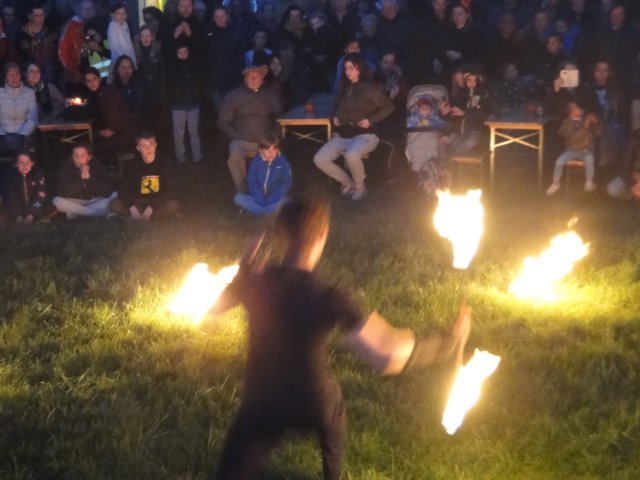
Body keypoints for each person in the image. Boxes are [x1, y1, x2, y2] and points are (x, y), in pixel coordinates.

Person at [211, 196, 471, 480]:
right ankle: (331, 472)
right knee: (330, 402)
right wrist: (449, 341)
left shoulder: (256, 280)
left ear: (281, 236)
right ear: (323, 235)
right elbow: (386, 356)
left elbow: (214, 309)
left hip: (262, 398)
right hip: (310, 400)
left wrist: (243, 271)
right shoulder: (329, 295)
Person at [314, 53, 393, 200]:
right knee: (320, 159)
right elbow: (337, 109)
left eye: (352, 68)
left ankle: (360, 186)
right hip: (344, 134)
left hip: (365, 135)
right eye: (346, 68)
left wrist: (370, 120)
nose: (348, 71)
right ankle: (347, 182)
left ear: (360, 68)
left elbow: (388, 106)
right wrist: (335, 118)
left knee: (351, 153)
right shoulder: (344, 88)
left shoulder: (369, 88)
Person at [217, 64, 283, 193]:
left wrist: (274, 137)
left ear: (262, 79)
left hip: (265, 141)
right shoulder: (234, 96)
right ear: (245, 80)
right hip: (242, 140)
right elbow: (222, 121)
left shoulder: (270, 95)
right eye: (250, 77)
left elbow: (280, 117)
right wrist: (237, 135)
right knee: (234, 154)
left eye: (256, 77)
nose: (253, 80)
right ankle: (243, 190)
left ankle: (270, 190)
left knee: (275, 155)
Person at [109, 131, 180, 221]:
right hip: (139, 201)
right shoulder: (134, 164)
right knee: (114, 204)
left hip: (158, 200)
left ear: (155, 145)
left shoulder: (165, 162)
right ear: (138, 148)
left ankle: (142, 218)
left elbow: (172, 189)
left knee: (173, 205)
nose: (148, 149)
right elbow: (124, 189)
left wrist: (152, 207)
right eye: (143, 146)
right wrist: (132, 207)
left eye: (151, 144)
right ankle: (138, 217)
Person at [83, 67, 135, 167]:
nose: (92, 83)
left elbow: (114, 111)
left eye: (94, 79)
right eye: (88, 81)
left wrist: (111, 128)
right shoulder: (92, 96)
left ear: (99, 79)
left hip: (122, 132)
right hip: (109, 132)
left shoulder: (108, 91)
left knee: (94, 149)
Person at [546, 99, 600, 195]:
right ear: (572, 112)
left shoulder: (586, 120)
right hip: (571, 151)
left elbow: (598, 133)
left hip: (585, 150)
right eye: (577, 108)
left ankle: (589, 181)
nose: (580, 109)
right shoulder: (567, 123)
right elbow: (573, 138)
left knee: (590, 158)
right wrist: (585, 125)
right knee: (559, 161)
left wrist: (596, 123)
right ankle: (556, 183)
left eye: (579, 107)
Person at [53, 143, 116, 219]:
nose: (79, 158)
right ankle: (93, 214)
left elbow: (106, 193)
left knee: (115, 195)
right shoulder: (66, 169)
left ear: (89, 157)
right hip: (75, 202)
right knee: (57, 201)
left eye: (82, 155)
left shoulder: (97, 168)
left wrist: (90, 179)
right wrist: (80, 179)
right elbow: (63, 193)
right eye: (76, 155)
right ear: (72, 157)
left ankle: (77, 213)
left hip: (95, 201)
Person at [233, 135, 292, 216]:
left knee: (287, 201)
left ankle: (255, 212)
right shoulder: (256, 162)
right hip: (259, 197)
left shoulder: (283, 162)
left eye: (274, 149)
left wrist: (274, 197)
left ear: (278, 150)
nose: (271, 153)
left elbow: (287, 182)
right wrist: (258, 197)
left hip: (275, 197)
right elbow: (252, 181)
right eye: (267, 150)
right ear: (260, 150)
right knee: (238, 198)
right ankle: (268, 212)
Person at [167, 42, 203, 163]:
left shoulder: (195, 66)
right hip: (178, 104)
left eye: (185, 52)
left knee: (194, 131)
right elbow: (168, 86)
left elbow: (199, 82)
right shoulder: (171, 67)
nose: (182, 55)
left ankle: (197, 156)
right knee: (179, 133)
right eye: (180, 52)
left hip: (193, 102)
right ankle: (180, 157)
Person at [2, 150, 57, 223]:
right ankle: (18, 218)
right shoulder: (11, 176)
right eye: (21, 162)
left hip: (34, 205)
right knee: (4, 209)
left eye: (28, 162)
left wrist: (31, 214)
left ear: (32, 163)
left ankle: (35, 217)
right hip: (19, 205)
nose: (25, 166)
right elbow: (12, 196)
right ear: (16, 164)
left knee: (51, 208)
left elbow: (41, 194)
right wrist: (18, 216)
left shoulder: (38, 173)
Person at [0, 63, 38, 156]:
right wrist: (2, 135)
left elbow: (33, 117)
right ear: (5, 78)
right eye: (11, 75)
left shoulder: (29, 93)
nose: (14, 78)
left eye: (17, 74)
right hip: (2, 136)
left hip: (23, 137)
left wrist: (22, 135)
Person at [107, 3, 137, 70]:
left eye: (123, 13)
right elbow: (116, 46)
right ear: (113, 15)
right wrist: (124, 59)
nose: (121, 16)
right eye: (118, 13)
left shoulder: (125, 24)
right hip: (119, 60)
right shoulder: (113, 26)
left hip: (129, 57)